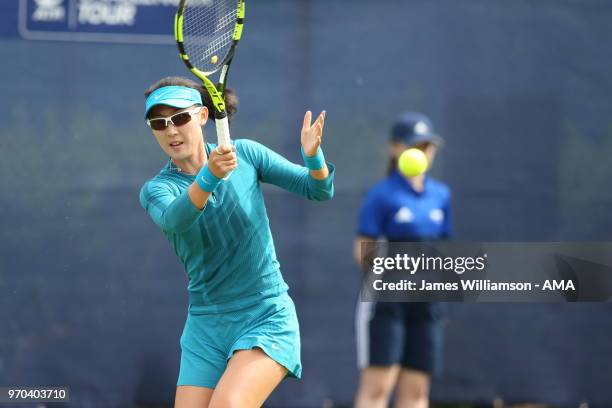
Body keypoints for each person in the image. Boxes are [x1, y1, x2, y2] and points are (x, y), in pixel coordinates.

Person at [138, 76, 334, 408]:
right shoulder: (156, 190)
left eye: (180, 118)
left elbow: (318, 189)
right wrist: (210, 174)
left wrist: (313, 157)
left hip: (265, 314)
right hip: (206, 326)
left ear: (202, 116)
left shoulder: (246, 153)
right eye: (159, 123)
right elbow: (177, 220)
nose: (171, 130)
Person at [353, 112, 451, 408]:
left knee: (417, 392)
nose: (422, 153)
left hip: (427, 304)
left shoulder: (441, 195)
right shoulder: (381, 195)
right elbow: (362, 251)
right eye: (415, 145)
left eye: (427, 146)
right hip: (387, 302)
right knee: (377, 389)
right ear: (396, 149)